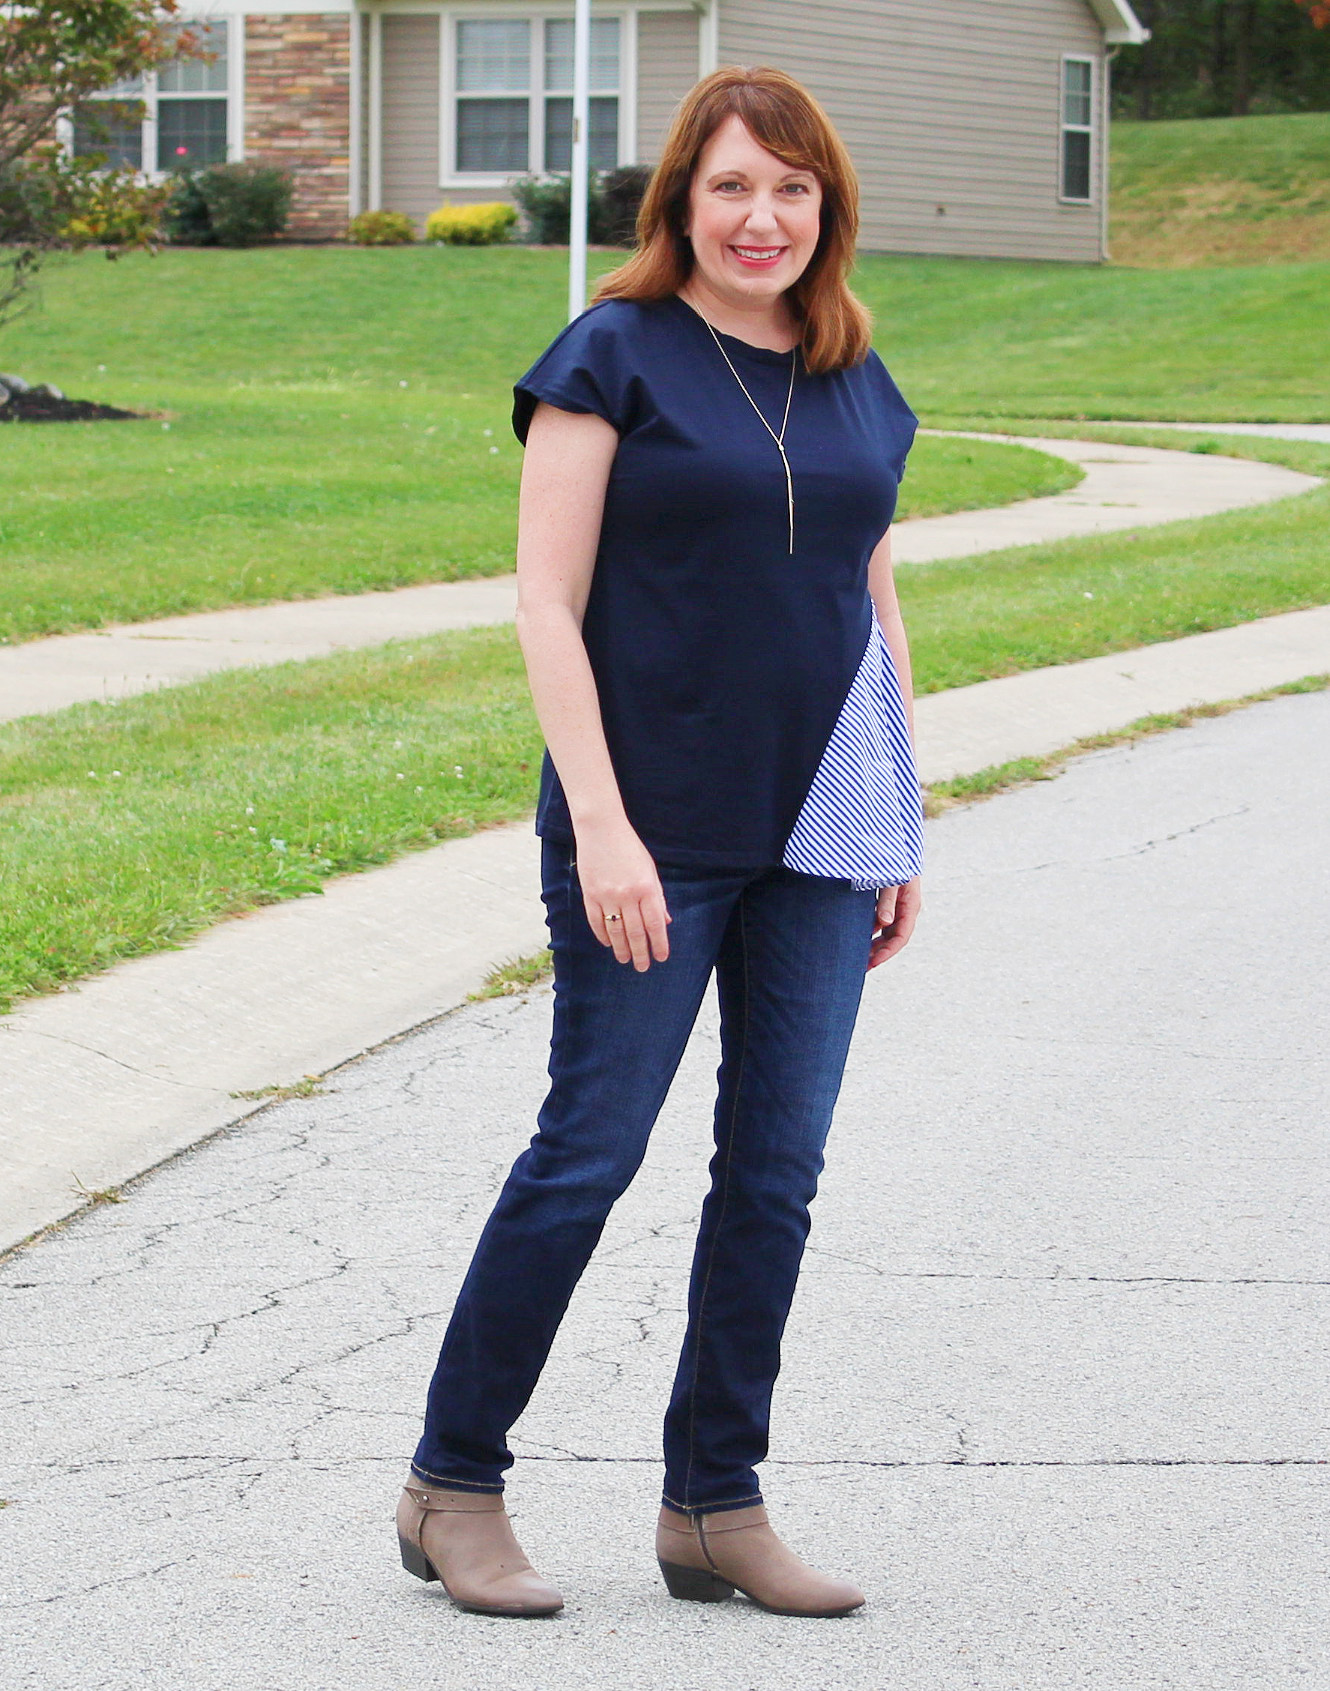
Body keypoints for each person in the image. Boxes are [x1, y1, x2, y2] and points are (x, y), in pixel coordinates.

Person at [396, 64, 923, 1620]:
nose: (761, 219)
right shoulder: (608, 356)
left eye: (792, 190)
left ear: (825, 209)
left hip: (818, 831)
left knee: (776, 1172)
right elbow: (543, 605)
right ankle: (452, 1483)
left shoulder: (854, 374)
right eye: (731, 189)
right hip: (654, 835)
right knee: (589, 1154)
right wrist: (606, 832)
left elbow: (873, 603)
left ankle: (714, 1503)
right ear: (679, 204)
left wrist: (897, 815)